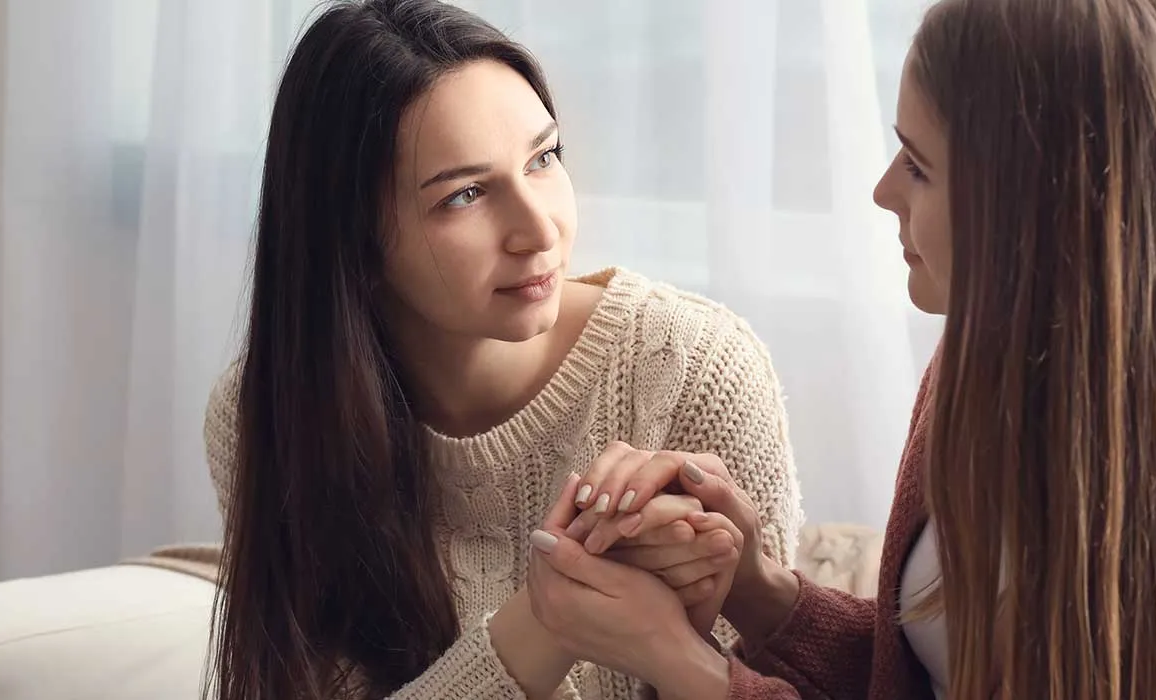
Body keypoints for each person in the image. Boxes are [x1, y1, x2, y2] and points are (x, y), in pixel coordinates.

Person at [527, 0, 1156, 698]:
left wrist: (683, 665)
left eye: (921, 167)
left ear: (1035, 203)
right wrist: (759, 590)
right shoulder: (973, 375)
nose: (882, 191)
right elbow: (929, 668)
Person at [200, 1, 802, 699]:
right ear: (352, 240)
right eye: (466, 195)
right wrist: (548, 622)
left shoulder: (693, 367)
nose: (539, 230)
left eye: (544, 158)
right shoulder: (272, 418)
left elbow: (776, 682)